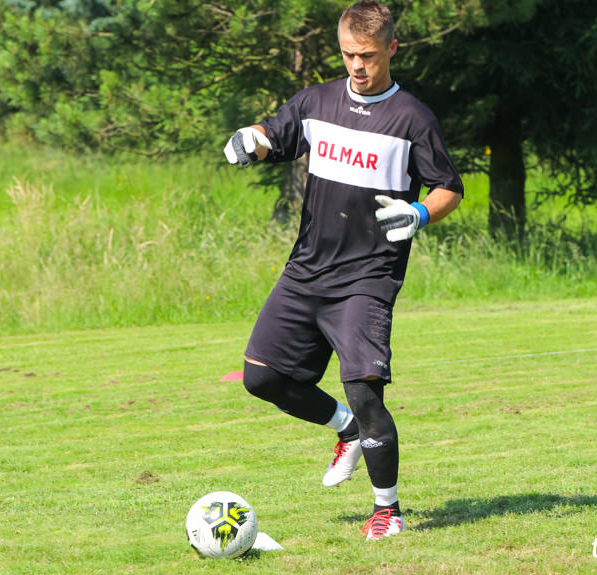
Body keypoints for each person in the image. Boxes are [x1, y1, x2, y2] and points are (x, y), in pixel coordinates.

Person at [224, 0, 463, 541]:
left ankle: (387, 510)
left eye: (369, 56)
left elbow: (450, 186)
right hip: (306, 271)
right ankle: (346, 431)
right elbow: (273, 134)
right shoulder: (317, 101)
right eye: (350, 55)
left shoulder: (412, 118)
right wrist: (249, 139)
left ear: (392, 49)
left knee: (365, 390)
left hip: (367, 278)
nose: (358, 66)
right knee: (262, 378)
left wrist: (421, 211)